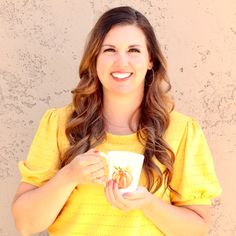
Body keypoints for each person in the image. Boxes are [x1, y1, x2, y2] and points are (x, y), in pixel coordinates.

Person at [12, 6, 222, 236]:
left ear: (150, 60)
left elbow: (198, 229)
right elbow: (25, 223)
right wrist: (68, 176)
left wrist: (148, 204)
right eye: (109, 50)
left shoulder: (182, 131)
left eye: (134, 50)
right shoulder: (59, 124)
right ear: (94, 58)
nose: (121, 62)